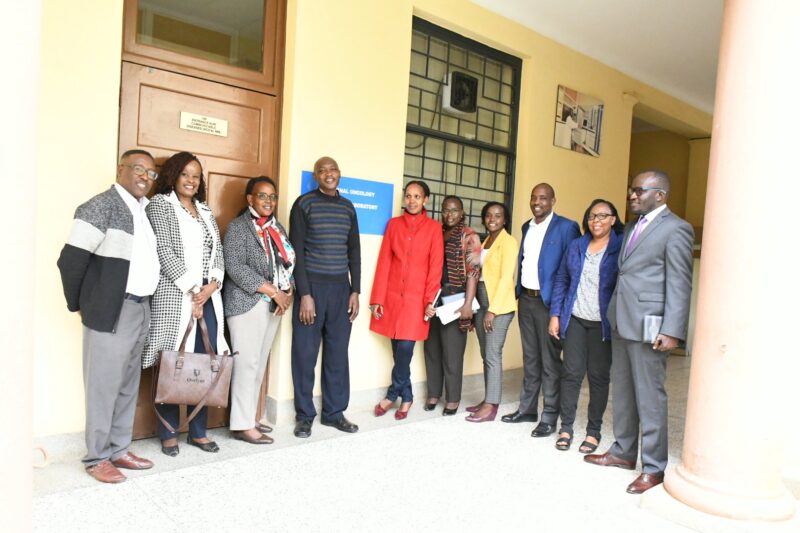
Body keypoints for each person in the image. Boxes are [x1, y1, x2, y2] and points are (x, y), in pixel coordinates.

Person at [584, 170, 694, 495]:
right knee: (624, 392)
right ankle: (622, 452)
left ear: (660, 195)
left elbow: (679, 282)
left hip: (651, 325)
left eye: (639, 191)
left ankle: (654, 467)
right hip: (622, 320)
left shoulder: (677, 229)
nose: (632, 196)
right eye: (631, 190)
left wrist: (671, 329)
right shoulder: (632, 227)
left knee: (650, 396)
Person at [57, 149, 160, 483]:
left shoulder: (142, 211)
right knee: (103, 385)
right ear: (121, 169)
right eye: (139, 169)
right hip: (111, 310)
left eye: (151, 172)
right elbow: (71, 262)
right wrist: (84, 305)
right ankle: (97, 457)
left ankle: (119, 449)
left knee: (128, 384)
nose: (145, 176)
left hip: (140, 307)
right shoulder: (100, 206)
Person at [142, 151, 228, 457]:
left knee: (203, 364)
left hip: (208, 297)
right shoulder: (160, 207)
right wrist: (193, 290)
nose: (191, 181)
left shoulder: (205, 212)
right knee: (171, 363)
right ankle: (168, 433)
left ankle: (198, 432)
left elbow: (218, 254)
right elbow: (163, 251)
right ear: (173, 176)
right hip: (174, 296)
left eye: (196, 175)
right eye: (185, 174)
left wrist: (212, 285)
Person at [289, 156, 361, 438]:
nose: (328, 174)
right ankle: (305, 415)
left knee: (337, 355)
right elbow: (296, 252)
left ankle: (334, 413)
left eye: (332, 169)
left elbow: (354, 251)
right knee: (305, 355)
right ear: (316, 177)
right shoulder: (304, 204)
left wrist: (355, 290)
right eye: (322, 170)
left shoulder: (348, 207)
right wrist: (305, 294)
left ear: (339, 173)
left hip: (341, 291)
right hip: (312, 290)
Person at [502, 183, 580, 438]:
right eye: (534, 197)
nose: (537, 202)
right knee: (531, 358)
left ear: (553, 201)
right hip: (526, 299)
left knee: (549, 361)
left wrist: (559, 310)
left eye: (543, 198)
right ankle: (527, 409)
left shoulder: (567, 227)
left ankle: (549, 416)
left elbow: (570, 270)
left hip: (549, 304)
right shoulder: (527, 226)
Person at [548, 199, 623, 453]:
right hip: (576, 319)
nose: (597, 221)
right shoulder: (577, 245)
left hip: (603, 324)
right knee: (571, 374)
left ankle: (593, 432)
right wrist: (556, 314)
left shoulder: (620, 247)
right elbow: (562, 279)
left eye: (603, 216)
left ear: (613, 219)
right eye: (592, 216)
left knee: (599, 377)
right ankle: (566, 427)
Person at [223, 176, 294, 444]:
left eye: (272, 196)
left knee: (259, 363)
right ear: (249, 199)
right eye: (262, 196)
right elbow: (235, 267)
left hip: (273, 306)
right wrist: (272, 291)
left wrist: (287, 293)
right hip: (246, 304)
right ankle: (241, 425)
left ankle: (250, 417)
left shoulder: (278, 229)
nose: (268, 201)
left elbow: (288, 263)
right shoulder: (238, 228)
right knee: (246, 364)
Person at [371, 181, 443, 420]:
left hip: (417, 300)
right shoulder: (393, 225)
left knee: (405, 348)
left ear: (426, 200)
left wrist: (430, 300)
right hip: (392, 297)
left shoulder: (434, 229)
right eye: (409, 196)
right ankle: (408, 395)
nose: (412, 200)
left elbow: (435, 268)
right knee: (397, 348)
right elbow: (384, 263)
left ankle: (392, 394)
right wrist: (378, 298)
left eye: (417, 196)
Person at [423, 195, 481, 415]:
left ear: (462, 212)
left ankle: (453, 398)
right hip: (434, 296)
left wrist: (467, 304)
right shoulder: (435, 232)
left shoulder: (470, 236)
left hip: (456, 298)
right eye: (446, 210)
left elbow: (474, 271)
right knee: (432, 349)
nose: (450, 214)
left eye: (455, 210)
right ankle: (434, 393)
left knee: (453, 352)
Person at [466, 202, 518, 423]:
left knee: (493, 354)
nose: (492, 219)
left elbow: (507, 278)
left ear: (504, 219)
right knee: (485, 353)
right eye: (488, 215)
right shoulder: (486, 241)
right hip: (482, 301)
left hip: (499, 305)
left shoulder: (509, 242)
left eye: (498, 216)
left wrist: (492, 311)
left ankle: (491, 406)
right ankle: (488, 398)